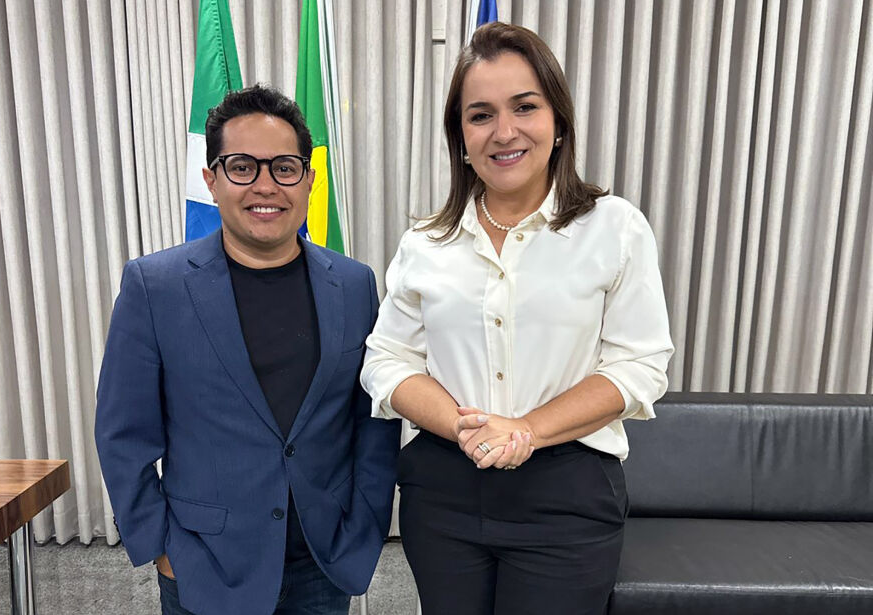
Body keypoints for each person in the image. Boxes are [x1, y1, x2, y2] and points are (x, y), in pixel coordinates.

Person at [361, 22, 674, 615]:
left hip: (568, 493)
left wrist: (525, 429)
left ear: (559, 122)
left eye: (524, 107)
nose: (504, 131)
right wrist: (463, 427)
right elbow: (386, 360)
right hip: (444, 492)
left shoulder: (614, 228)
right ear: (460, 137)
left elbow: (639, 366)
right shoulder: (426, 241)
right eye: (480, 115)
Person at [95, 84, 400, 615]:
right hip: (204, 563)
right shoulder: (155, 286)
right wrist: (161, 548)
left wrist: (365, 528)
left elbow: (371, 421)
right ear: (211, 180)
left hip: (324, 562)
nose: (265, 185)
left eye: (284, 167)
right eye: (242, 167)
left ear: (308, 180)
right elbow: (122, 432)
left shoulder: (354, 284)